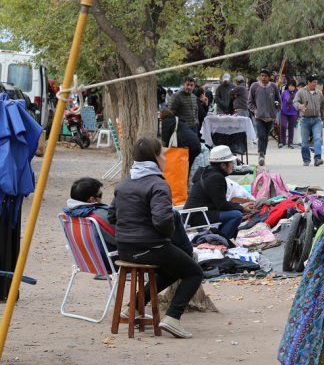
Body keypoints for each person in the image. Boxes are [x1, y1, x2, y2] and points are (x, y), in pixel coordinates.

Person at [108, 137, 203, 338]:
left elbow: (111, 216)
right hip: (150, 247)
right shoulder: (158, 185)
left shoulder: (124, 183)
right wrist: (167, 233)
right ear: (154, 159)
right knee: (194, 272)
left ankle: (133, 307)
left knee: (173, 270)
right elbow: (162, 222)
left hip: (125, 249)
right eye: (162, 154)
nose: (165, 157)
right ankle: (173, 318)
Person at [184, 145, 250, 241]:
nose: (232, 165)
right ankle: (219, 240)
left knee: (234, 212)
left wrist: (239, 206)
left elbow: (219, 203)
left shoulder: (208, 172)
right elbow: (221, 205)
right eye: (231, 162)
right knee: (237, 215)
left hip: (195, 214)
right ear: (223, 165)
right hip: (198, 215)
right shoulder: (216, 177)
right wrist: (241, 207)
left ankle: (220, 238)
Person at [64, 177, 116, 253]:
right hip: (108, 260)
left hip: (86, 260)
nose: (101, 197)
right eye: (100, 195)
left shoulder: (67, 216)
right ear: (92, 199)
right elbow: (119, 239)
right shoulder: (100, 216)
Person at [248, 68, 281, 166]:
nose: (263, 78)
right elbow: (250, 102)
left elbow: (279, 100)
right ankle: (261, 154)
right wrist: (255, 111)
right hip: (259, 117)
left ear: (269, 77)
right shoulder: (254, 86)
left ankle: (263, 154)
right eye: (262, 75)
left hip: (270, 117)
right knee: (261, 135)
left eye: (265, 76)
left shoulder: (274, 86)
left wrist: (276, 109)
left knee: (265, 137)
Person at [294, 74, 324, 167]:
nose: (315, 84)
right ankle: (306, 159)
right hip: (305, 119)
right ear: (308, 82)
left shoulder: (319, 93)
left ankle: (317, 158)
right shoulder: (301, 92)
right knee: (304, 142)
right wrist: (300, 106)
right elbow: (295, 102)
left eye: (316, 82)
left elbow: (323, 107)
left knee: (317, 139)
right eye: (314, 82)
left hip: (317, 119)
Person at [279, 80, 300, 148]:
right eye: (289, 86)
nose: (291, 87)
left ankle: (290, 143)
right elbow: (280, 101)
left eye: (292, 86)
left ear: (295, 86)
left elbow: (299, 102)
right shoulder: (284, 92)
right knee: (283, 125)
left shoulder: (297, 93)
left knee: (291, 127)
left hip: (293, 112)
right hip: (284, 112)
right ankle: (282, 141)